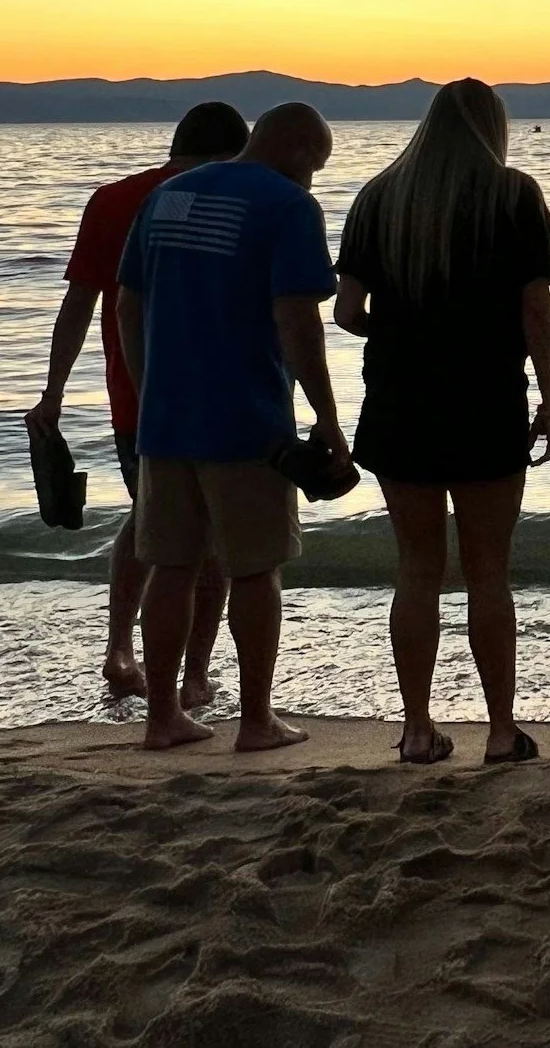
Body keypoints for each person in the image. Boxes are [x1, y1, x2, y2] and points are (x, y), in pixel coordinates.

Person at [333, 79, 550, 766]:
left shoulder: (378, 197)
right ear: (493, 127)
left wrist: (405, 332)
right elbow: (535, 310)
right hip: (487, 399)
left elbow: (345, 311)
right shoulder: (514, 195)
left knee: (417, 569)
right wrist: (549, 399)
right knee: (489, 571)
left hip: (400, 401)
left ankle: (416, 728)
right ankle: (499, 730)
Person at [116, 102, 349, 753]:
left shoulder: (167, 196)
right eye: (318, 168)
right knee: (254, 569)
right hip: (248, 422)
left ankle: (161, 717)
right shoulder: (287, 206)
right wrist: (328, 420)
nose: (314, 183)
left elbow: (128, 302)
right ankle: (256, 719)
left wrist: (146, 387)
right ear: (300, 153)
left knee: (170, 565)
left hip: (164, 420)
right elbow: (297, 322)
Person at [23, 101, 246, 702]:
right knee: (206, 542)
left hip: (133, 400)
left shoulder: (113, 199)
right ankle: (193, 677)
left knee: (152, 518)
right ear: (234, 153)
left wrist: (54, 392)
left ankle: (121, 651)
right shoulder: (230, 196)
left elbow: (79, 304)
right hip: (213, 400)